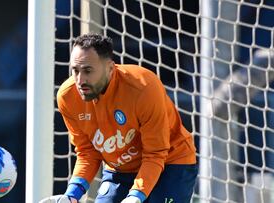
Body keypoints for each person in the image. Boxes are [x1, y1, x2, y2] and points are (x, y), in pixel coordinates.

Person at [40, 33, 198, 203]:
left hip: (171, 162)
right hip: (121, 169)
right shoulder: (67, 96)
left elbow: (155, 153)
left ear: (110, 68)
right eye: (75, 70)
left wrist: (136, 196)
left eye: (87, 71)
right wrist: (71, 195)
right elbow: (87, 152)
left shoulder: (143, 88)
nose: (80, 80)